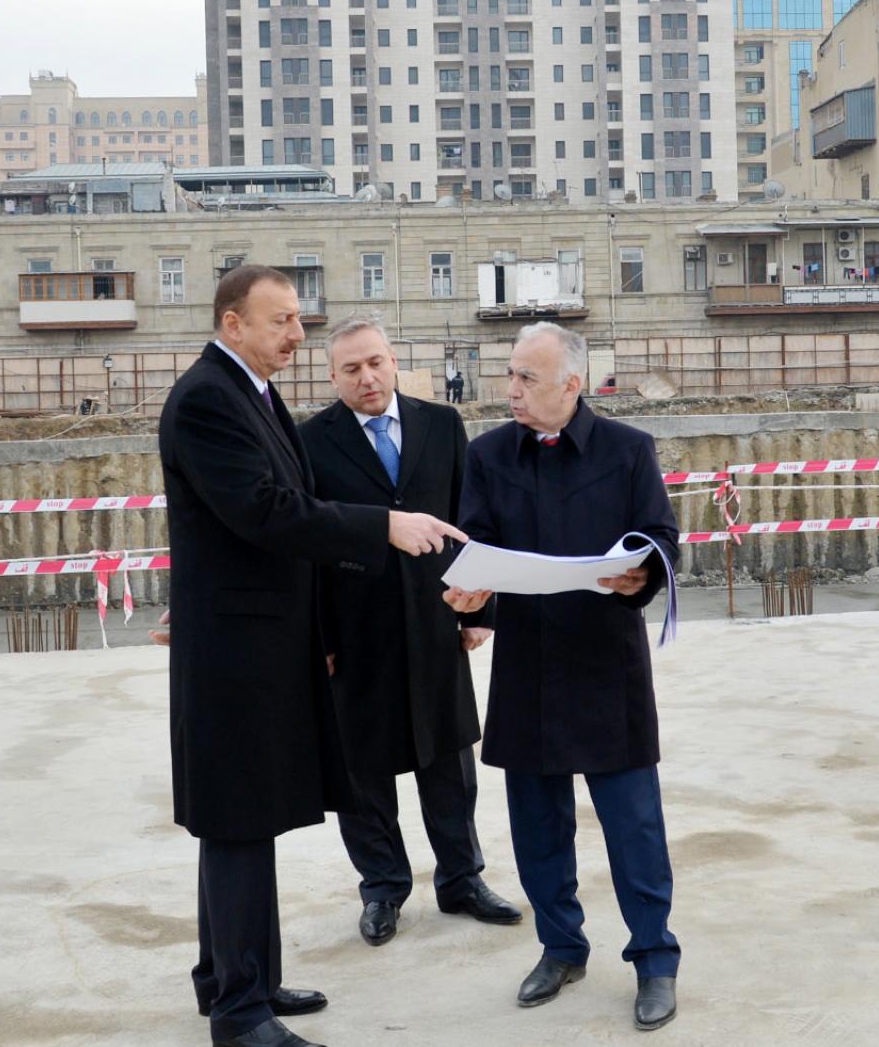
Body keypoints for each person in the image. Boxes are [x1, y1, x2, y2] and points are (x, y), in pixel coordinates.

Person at [156, 265, 464, 1047]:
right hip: (233, 655)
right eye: (282, 320)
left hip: (258, 644)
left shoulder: (248, 395)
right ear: (233, 324)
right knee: (237, 826)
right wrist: (381, 527)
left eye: (297, 319)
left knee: (245, 825)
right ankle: (240, 1014)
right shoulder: (205, 399)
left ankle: (236, 980)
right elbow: (264, 511)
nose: (298, 333)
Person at [445, 322, 685, 1033]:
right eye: (510, 375)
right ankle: (561, 947)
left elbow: (663, 540)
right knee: (536, 826)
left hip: (606, 662)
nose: (510, 390)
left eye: (526, 378)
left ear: (572, 386)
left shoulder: (628, 451)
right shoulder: (487, 455)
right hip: (528, 664)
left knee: (633, 825)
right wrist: (467, 590)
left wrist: (642, 571)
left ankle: (655, 959)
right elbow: (471, 540)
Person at [300, 318, 523, 948]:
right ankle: (382, 889)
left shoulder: (441, 425)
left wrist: (481, 612)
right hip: (355, 631)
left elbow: (470, 520)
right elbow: (308, 544)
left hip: (435, 621)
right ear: (332, 375)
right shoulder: (310, 442)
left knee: (449, 758)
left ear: (394, 361)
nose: (366, 378)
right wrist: (318, 640)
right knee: (361, 770)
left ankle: (461, 879)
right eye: (351, 369)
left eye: (375, 363)